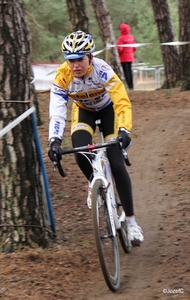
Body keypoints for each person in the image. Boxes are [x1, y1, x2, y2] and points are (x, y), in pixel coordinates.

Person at [48, 30, 143, 246]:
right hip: (84, 112)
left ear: (90, 57)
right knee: (80, 153)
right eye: (70, 60)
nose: (75, 65)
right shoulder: (63, 75)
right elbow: (57, 110)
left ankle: (131, 222)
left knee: (117, 163)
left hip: (109, 111)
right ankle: (96, 185)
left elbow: (122, 102)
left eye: (80, 59)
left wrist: (124, 130)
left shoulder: (102, 70)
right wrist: (54, 140)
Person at [117, 23, 136, 90]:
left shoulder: (121, 38)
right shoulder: (131, 37)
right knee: (130, 71)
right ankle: (131, 86)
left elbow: (120, 49)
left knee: (126, 72)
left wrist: (119, 53)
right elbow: (134, 48)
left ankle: (128, 86)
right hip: (130, 57)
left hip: (123, 58)